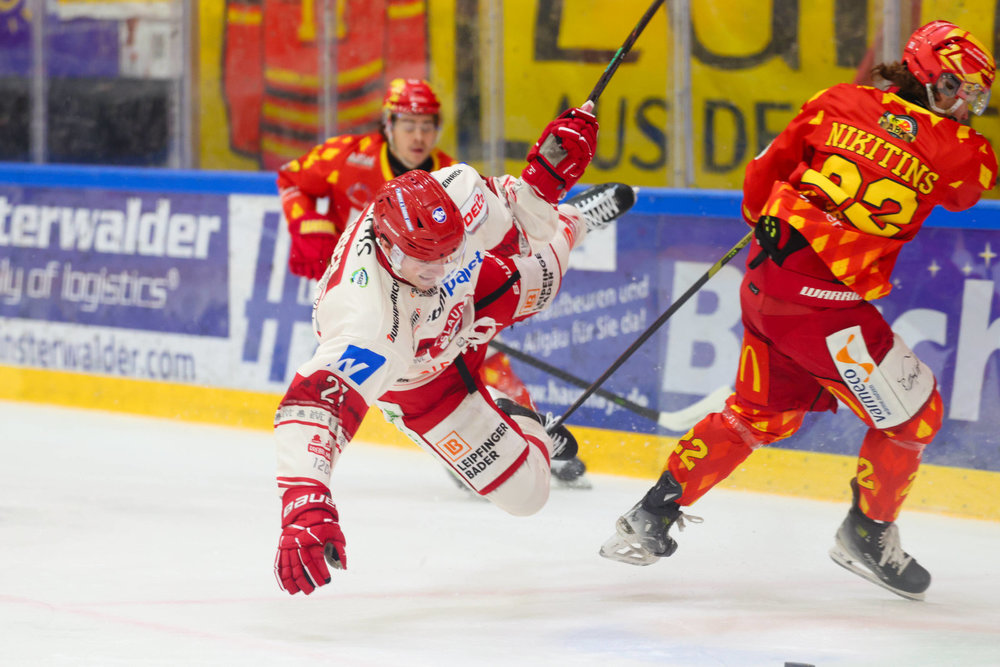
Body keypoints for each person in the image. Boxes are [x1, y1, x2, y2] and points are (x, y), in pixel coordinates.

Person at [599, 20, 996, 602]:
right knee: (917, 416)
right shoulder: (961, 150)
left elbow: (765, 172)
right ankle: (867, 531)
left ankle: (652, 513)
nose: (964, 107)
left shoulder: (835, 101)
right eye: (955, 90)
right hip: (823, 309)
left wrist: (765, 219)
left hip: (766, 281)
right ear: (924, 76)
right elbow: (967, 189)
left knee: (758, 416)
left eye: (975, 98)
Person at [274, 104, 638, 595]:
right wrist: (306, 500)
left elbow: (518, 217)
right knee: (528, 495)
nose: (439, 268)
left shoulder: (455, 193)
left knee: (544, 270)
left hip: (466, 303)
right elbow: (315, 406)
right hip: (422, 381)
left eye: (448, 251)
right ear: (386, 245)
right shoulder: (367, 319)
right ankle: (523, 421)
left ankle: (575, 222)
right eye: (425, 259)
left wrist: (546, 178)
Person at [276, 78, 591, 486]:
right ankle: (471, 442)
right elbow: (291, 179)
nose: (419, 136)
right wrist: (309, 227)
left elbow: (486, 234)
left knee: (471, 354)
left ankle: (510, 431)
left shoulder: (446, 174)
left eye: (428, 125)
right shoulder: (346, 156)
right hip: (366, 293)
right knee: (393, 376)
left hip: (434, 288)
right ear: (387, 125)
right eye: (408, 124)